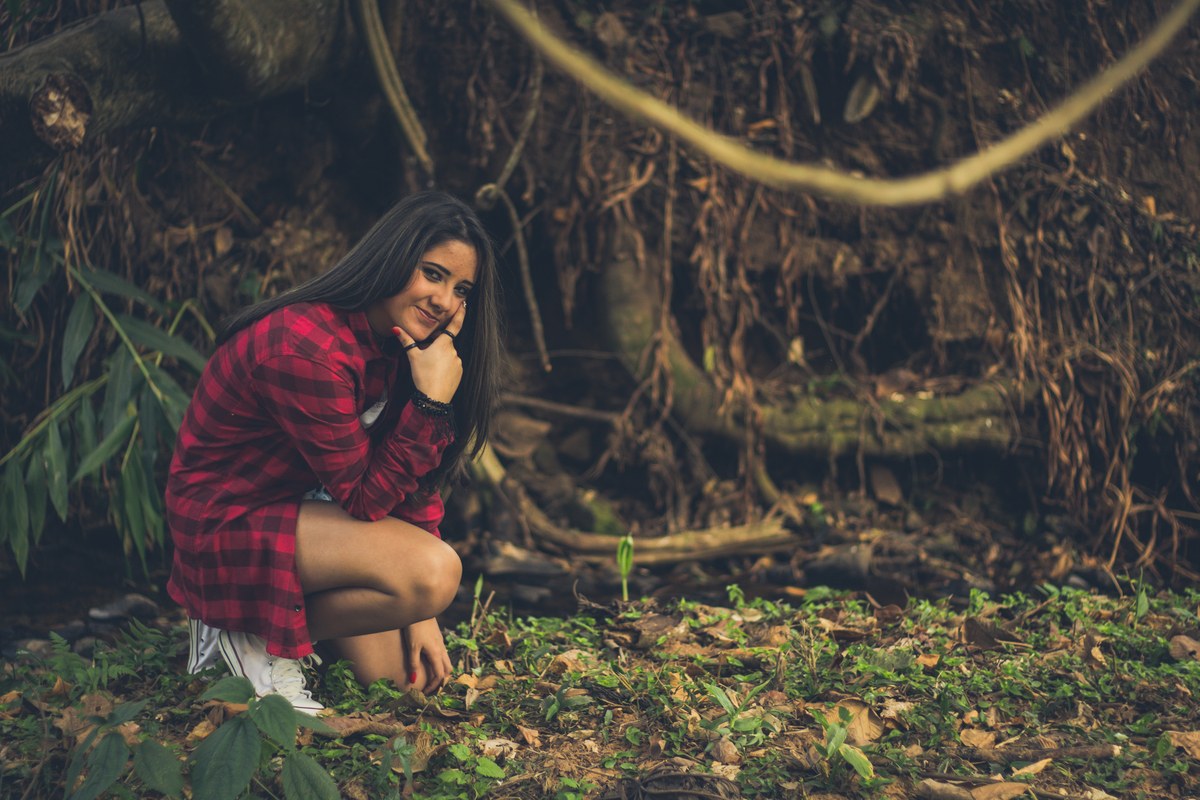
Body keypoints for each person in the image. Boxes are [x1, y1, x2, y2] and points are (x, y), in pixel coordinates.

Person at [166, 191, 502, 712]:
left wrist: (420, 614)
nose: (444, 301)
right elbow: (365, 499)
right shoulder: (307, 348)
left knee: (402, 679)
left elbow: (408, 482)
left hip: (305, 509)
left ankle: (278, 629)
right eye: (432, 274)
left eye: (461, 290)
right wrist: (431, 404)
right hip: (229, 523)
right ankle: (248, 632)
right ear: (393, 256)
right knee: (434, 572)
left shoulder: (398, 344)